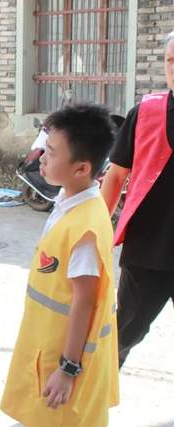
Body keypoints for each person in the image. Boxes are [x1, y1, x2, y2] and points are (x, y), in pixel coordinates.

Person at [1, 104, 119, 426]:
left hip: (62, 360)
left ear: (81, 168)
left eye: (51, 152)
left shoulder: (85, 228)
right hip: (47, 344)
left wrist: (68, 369)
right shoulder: (70, 201)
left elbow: (84, 301)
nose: (41, 157)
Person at [101, 31, 174, 368]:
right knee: (123, 332)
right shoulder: (146, 113)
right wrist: (97, 231)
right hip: (147, 249)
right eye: (170, 61)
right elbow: (116, 176)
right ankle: (96, 392)